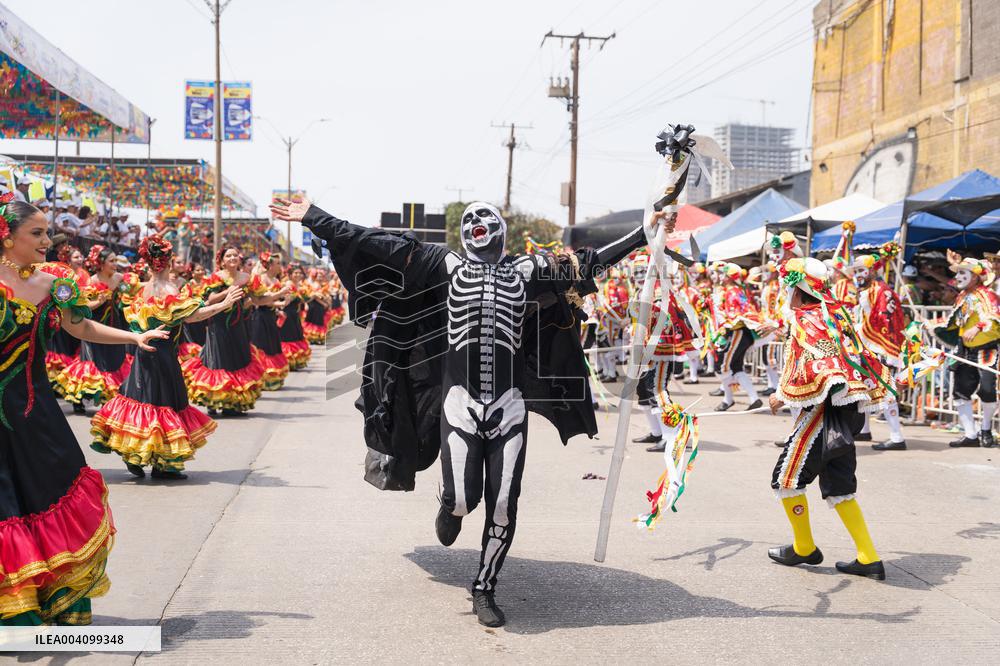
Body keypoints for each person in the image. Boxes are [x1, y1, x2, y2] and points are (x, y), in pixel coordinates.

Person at [271, 193, 676, 628]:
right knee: (464, 499)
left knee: (502, 504)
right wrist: (315, 217)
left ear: (500, 229)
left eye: (485, 219)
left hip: (510, 406)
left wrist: (645, 231)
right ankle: (449, 507)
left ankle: (485, 586)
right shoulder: (441, 264)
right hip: (459, 404)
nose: (476, 224)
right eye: (470, 220)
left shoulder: (527, 270)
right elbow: (374, 243)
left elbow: (588, 262)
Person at [0, 196, 168, 625]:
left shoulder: (51, 282)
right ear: (6, 236)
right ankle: (14, 609)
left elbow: (80, 326)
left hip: (34, 412)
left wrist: (133, 338)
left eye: (46, 232)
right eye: (36, 233)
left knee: (53, 488)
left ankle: (58, 594)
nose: (46, 240)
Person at [767, 256, 889, 581]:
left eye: (790, 286)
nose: (787, 292)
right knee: (838, 486)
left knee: (786, 480)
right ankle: (868, 557)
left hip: (825, 410)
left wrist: (783, 394)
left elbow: (822, 360)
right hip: (846, 409)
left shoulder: (806, 318)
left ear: (798, 290)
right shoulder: (836, 312)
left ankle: (804, 546)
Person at [91, 234, 243, 479]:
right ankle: (163, 464)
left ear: (149, 263)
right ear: (169, 262)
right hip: (164, 356)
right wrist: (223, 304)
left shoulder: (140, 289)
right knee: (165, 404)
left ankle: (135, 454)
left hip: (143, 354)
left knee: (140, 399)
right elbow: (191, 316)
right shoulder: (171, 289)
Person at [181, 246, 265, 415]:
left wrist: (280, 295)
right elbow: (210, 299)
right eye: (228, 255)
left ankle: (234, 403)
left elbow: (258, 299)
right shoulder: (216, 277)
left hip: (238, 326)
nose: (232, 258)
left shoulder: (247, 277)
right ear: (222, 261)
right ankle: (214, 399)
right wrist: (228, 291)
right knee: (217, 361)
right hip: (218, 326)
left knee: (238, 360)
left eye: (235, 255)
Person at [54, 245, 134, 414]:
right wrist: (99, 301)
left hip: (114, 322)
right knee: (92, 360)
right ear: (101, 263)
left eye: (116, 261)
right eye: (111, 261)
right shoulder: (93, 281)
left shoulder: (119, 277)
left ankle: (110, 398)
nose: (115, 264)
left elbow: (130, 292)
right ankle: (78, 399)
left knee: (114, 358)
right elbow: (84, 306)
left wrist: (128, 291)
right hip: (95, 324)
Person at [934, 255, 1000, 448]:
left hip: (986, 349)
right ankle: (971, 434)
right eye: (959, 273)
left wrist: (978, 327)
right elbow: (953, 322)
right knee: (960, 392)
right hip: (965, 350)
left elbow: (995, 316)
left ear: (976, 277)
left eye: (964, 272)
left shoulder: (988, 295)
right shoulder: (962, 297)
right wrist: (930, 324)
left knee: (988, 390)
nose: (959, 277)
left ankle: (986, 429)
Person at [851, 250, 907, 450]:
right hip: (866, 346)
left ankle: (897, 437)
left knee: (886, 391)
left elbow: (885, 322)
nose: (857, 275)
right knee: (866, 387)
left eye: (861, 270)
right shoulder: (866, 291)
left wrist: (859, 331)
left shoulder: (882, 291)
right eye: (855, 271)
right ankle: (864, 430)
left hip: (881, 347)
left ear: (873, 271)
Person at [711, 263, 763, 412]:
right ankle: (754, 399)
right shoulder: (730, 291)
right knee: (735, 367)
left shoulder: (733, 292)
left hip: (737, 332)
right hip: (736, 332)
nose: (720, 277)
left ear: (728, 278)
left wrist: (726, 319)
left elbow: (743, 311)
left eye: (723, 274)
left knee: (723, 366)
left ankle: (728, 399)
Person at [249, 252, 291, 391]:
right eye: (278, 263)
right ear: (270, 265)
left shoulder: (276, 281)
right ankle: (262, 378)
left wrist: (283, 303)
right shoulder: (261, 279)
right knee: (262, 347)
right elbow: (262, 302)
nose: (280, 266)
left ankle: (271, 378)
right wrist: (280, 302)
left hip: (271, 317)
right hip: (260, 317)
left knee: (272, 346)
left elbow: (275, 301)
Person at [279, 263, 312, 370]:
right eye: (295, 273)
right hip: (287, 314)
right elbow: (285, 301)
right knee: (288, 337)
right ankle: (288, 361)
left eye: (299, 273)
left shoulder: (299, 285)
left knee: (295, 336)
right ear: (290, 274)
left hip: (295, 314)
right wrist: (294, 296)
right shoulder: (288, 284)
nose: (298, 275)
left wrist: (305, 298)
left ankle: (294, 360)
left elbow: (303, 299)